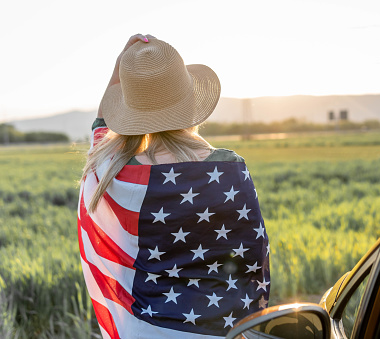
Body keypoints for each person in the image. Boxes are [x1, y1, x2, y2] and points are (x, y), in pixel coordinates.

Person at [78, 34, 270, 339]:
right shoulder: (229, 168)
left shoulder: (110, 172)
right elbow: (252, 258)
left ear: (128, 111)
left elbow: (99, 131)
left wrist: (121, 68)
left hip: (138, 331)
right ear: (190, 101)